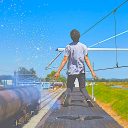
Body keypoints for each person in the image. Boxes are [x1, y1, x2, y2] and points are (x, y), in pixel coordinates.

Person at [54, 29, 97, 107]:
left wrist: (58, 71)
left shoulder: (68, 47)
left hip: (71, 71)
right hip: (81, 71)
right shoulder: (84, 46)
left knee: (69, 87)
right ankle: (87, 99)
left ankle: (67, 97)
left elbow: (65, 60)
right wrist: (92, 71)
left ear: (71, 37)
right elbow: (86, 59)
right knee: (82, 88)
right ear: (79, 36)